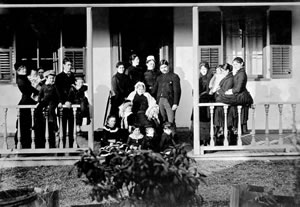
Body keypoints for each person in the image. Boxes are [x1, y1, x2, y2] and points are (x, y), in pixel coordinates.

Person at [223, 57, 254, 135]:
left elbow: (239, 88)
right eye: (233, 64)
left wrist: (231, 91)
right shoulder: (237, 73)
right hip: (239, 94)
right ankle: (231, 127)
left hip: (242, 96)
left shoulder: (242, 74)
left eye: (237, 64)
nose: (235, 66)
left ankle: (232, 127)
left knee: (224, 99)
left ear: (242, 64)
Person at [14, 61, 39, 149]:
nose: (24, 70)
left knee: (28, 124)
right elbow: (27, 90)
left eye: (24, 68)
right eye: (21, 69)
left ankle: (28, 144)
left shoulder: (24, 78)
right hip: (26, 101)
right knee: (24, 125)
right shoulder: (20, 79)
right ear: (17, 71)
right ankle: (22, 144)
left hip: (28, 100)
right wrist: (36, 92)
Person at [152, 60, 181, 125]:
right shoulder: (159, 77)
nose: (163, 69)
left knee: (171, 120)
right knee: (162, 119)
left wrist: (175, 103)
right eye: (162, 68)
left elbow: (177, 91)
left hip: (169, 101)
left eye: (165, 67)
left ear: (168, 67)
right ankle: (164, 135)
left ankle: (173, 134)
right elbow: (154, 90)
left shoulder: (174, 76)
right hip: (160, 101)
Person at [55, 57, 76, 148]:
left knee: (71, 126)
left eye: (70, 65)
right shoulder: (59, 77)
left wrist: (70, 101)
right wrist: (62, 101)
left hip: (70, 105)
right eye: (68, 65)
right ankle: (61, 146)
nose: (69, 67)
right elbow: (58, 91)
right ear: (63, 65)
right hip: (63, 105)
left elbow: (74, 90)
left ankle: (71, 146)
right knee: (62, 126)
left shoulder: (72, 76)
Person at [36, 70, 59, 148]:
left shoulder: (55, 86)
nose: (52, 80)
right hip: (45, 103)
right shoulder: (43, 86)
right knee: (39, 111)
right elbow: (40, 95)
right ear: (46, 78)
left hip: (52, 102)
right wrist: (39, 101)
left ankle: (55, 127)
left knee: (52, 112)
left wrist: (59, 102)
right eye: (50, 78)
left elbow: (58, 95)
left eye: (53, 78)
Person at [214, 63, 234, 144]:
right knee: (220, 121)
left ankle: (228, 140)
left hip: (225, 102)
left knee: (226, 123)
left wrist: (219, 90)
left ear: (227, 70)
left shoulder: (230, 79)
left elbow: (225, 90)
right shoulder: (226, 78)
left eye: (223, 70)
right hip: (221, 102)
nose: (221, 72)